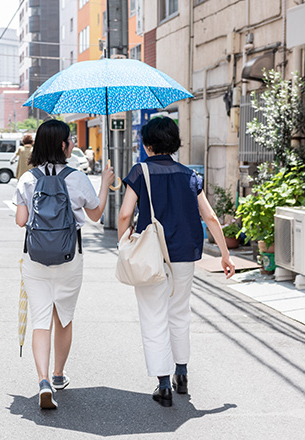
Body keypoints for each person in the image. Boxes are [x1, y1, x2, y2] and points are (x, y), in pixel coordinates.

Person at [117, 116, 235, 408]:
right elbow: (209, 216)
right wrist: (225, 254)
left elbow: (124, 215)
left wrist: (124, 244)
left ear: (147, 145)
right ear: (174, 143)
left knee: (153, 316)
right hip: (184, 254)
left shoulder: (140, 172)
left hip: (150, 256)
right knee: (179, 314)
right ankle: (181, 373)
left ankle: (162, 384)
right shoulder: (189, 175)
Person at [13, 119, 114, 409]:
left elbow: (21, 221)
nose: (72, 144)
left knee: (41, 320)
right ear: (61, 145)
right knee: (64, 317)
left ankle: (43, 380)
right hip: (71, 256)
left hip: (35, 259)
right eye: (69, 140)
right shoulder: (77, 177)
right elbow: (95, 215)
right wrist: (105, 184)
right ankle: (58, 374)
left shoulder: (28, 178)